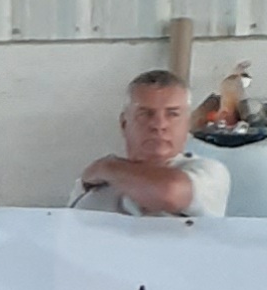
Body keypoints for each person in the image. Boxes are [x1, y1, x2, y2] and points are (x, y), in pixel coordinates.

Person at [71, 68, 230, 217]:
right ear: (124, 124)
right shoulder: (97, 183)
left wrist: (106, 167)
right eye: (145, 114)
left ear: (187, 125)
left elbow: (169, 192)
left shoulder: (208, 173)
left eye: (172, 114)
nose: (159, 125)